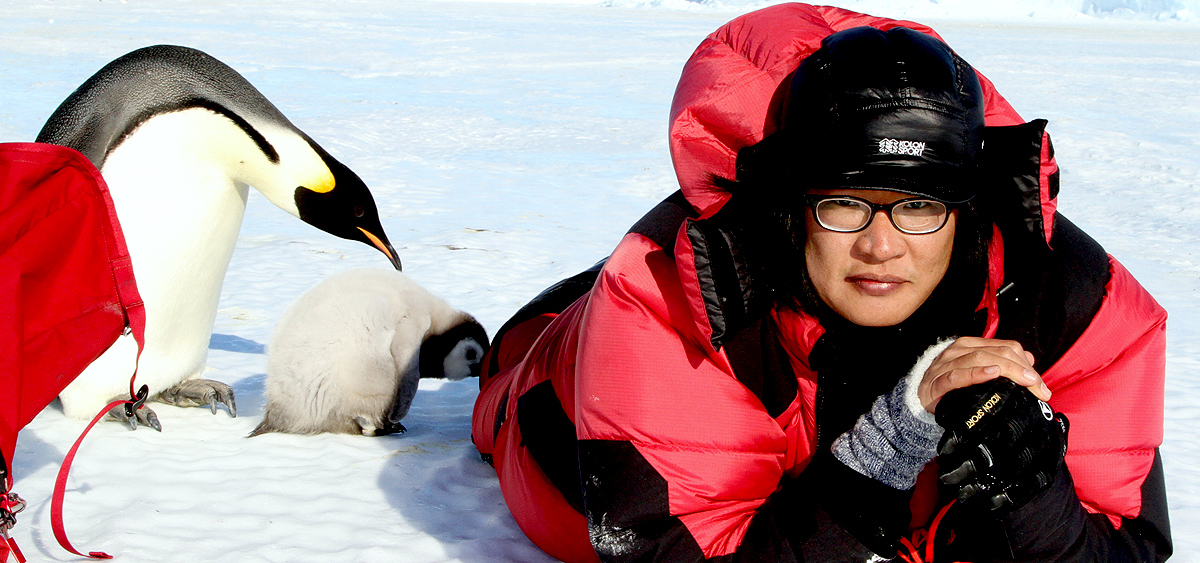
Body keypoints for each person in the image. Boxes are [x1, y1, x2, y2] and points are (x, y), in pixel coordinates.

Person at [471, 4, 1172, 562]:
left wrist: (1030, 485)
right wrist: (891, 443)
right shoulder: (665, 303)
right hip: (550, 403)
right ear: (792, 207)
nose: (881, 244)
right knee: (516, 370)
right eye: (844, 202)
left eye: (919, 205)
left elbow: (1123, 545)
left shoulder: (1078, 305)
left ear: (966, 208)